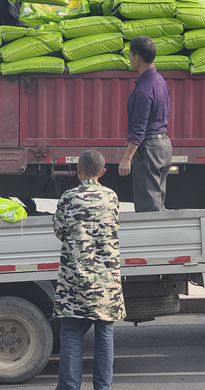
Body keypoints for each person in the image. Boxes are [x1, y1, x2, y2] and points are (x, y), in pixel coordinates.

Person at [53, 149, 124, 390]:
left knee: (72, 333)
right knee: (104, 334)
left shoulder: (68, 197)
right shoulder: (112, 197)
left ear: (77, 170)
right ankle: (103, 387)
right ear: (103, 172)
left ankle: (69, 387)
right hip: (106, 280)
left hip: (75, 277)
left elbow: (59, 231)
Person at [119, 35, 173, 212]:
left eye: (130, 54)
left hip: (150, 148)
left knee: (148, 205)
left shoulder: (144, 89)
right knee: (158, 200)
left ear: (137, 58)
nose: (129, 57)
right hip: (163, 144)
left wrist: (126, 158)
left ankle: (155, 239)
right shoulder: (160, 81)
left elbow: (138, 131)